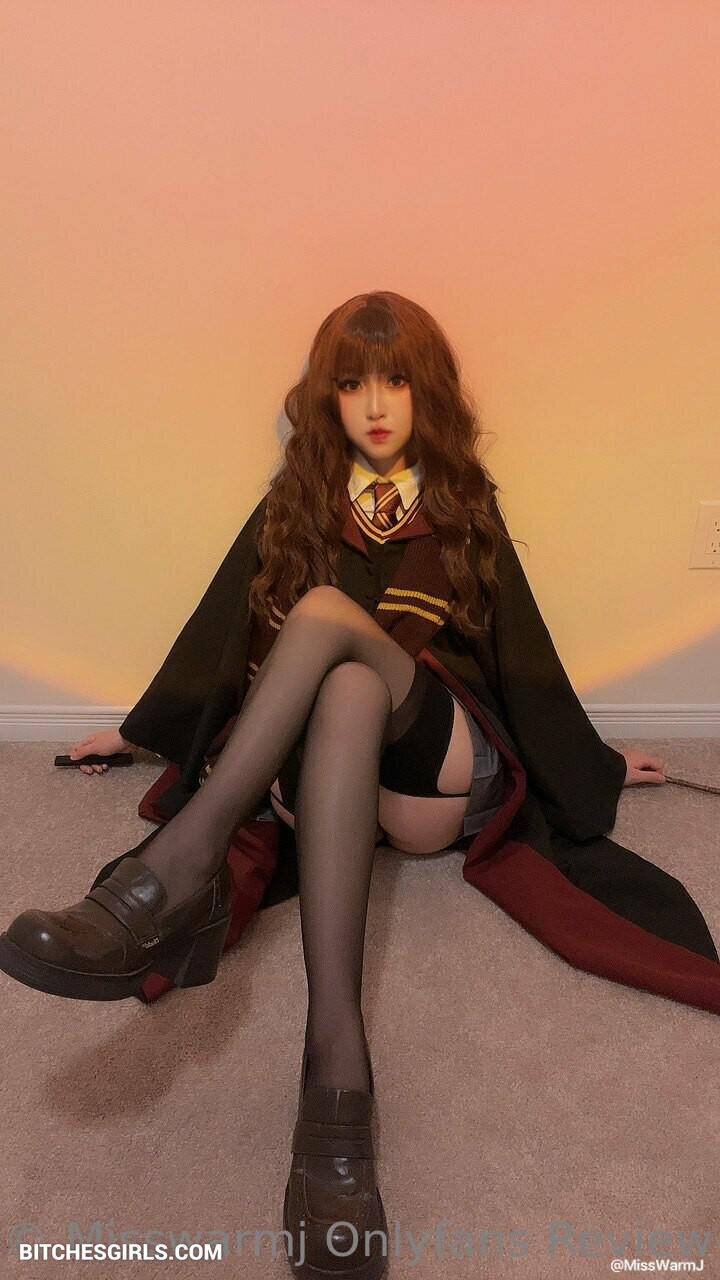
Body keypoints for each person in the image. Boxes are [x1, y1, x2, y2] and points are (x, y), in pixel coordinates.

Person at [0, 291, 681, 1280]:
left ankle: (172, 874)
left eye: (396, 380)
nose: (375, 403)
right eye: (353, 382)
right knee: (347, 687)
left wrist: (597, 761)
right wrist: (146, 731)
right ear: (327, 397)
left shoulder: (461, 503)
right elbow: (222, 631)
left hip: (435, 781)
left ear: (426, 391)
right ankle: (336, 1073)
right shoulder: (297, 501)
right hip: (330, 789)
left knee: (326, 617)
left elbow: (522, 649)